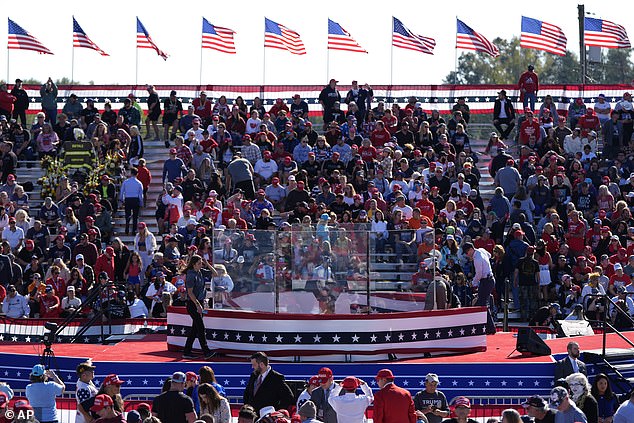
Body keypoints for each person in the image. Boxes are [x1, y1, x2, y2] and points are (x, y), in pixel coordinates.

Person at [182, 255, 215, 360]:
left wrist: (207, 263)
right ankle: (206, 351)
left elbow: (215, 273)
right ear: (194, 264)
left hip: (199, 301)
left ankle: (186, 351)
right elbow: (190, 293)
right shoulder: (191, 275)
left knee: (195, 329)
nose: (201, 265)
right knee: (200, 327)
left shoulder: (200, 272)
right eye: (199, 263)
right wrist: (197, 305)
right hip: (193, 304)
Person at [243, 351, 294, 416]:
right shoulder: (254, 375)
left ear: (261, 364)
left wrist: (275, 412)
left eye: (254, 365)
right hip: (252, 416)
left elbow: (288, 397)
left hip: (267, 417)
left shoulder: (276, 378)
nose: (252, 367)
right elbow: (247, 393)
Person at [462, 242, 496, 334]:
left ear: (470, 250)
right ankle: (488, 326)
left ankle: (490, 327)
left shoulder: (477, 259)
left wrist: (473, 283)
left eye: (466, 252)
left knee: (482, 304)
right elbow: (489, 255)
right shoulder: (481, 250)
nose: (466, 255)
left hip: (486, 281)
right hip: (489, 279)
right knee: (482, 303)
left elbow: (479, 274)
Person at [120, 168, 144, 235]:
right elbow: (140, 195)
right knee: (135, 216)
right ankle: (134, 230)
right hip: (135, 200)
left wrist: (121, 200)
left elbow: (122, 192)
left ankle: (127, 228)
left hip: (128, 199)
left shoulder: (126, 182)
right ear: (137, 174)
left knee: (127, 215)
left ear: (131, 173)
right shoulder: (139, 183)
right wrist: (141, 203)